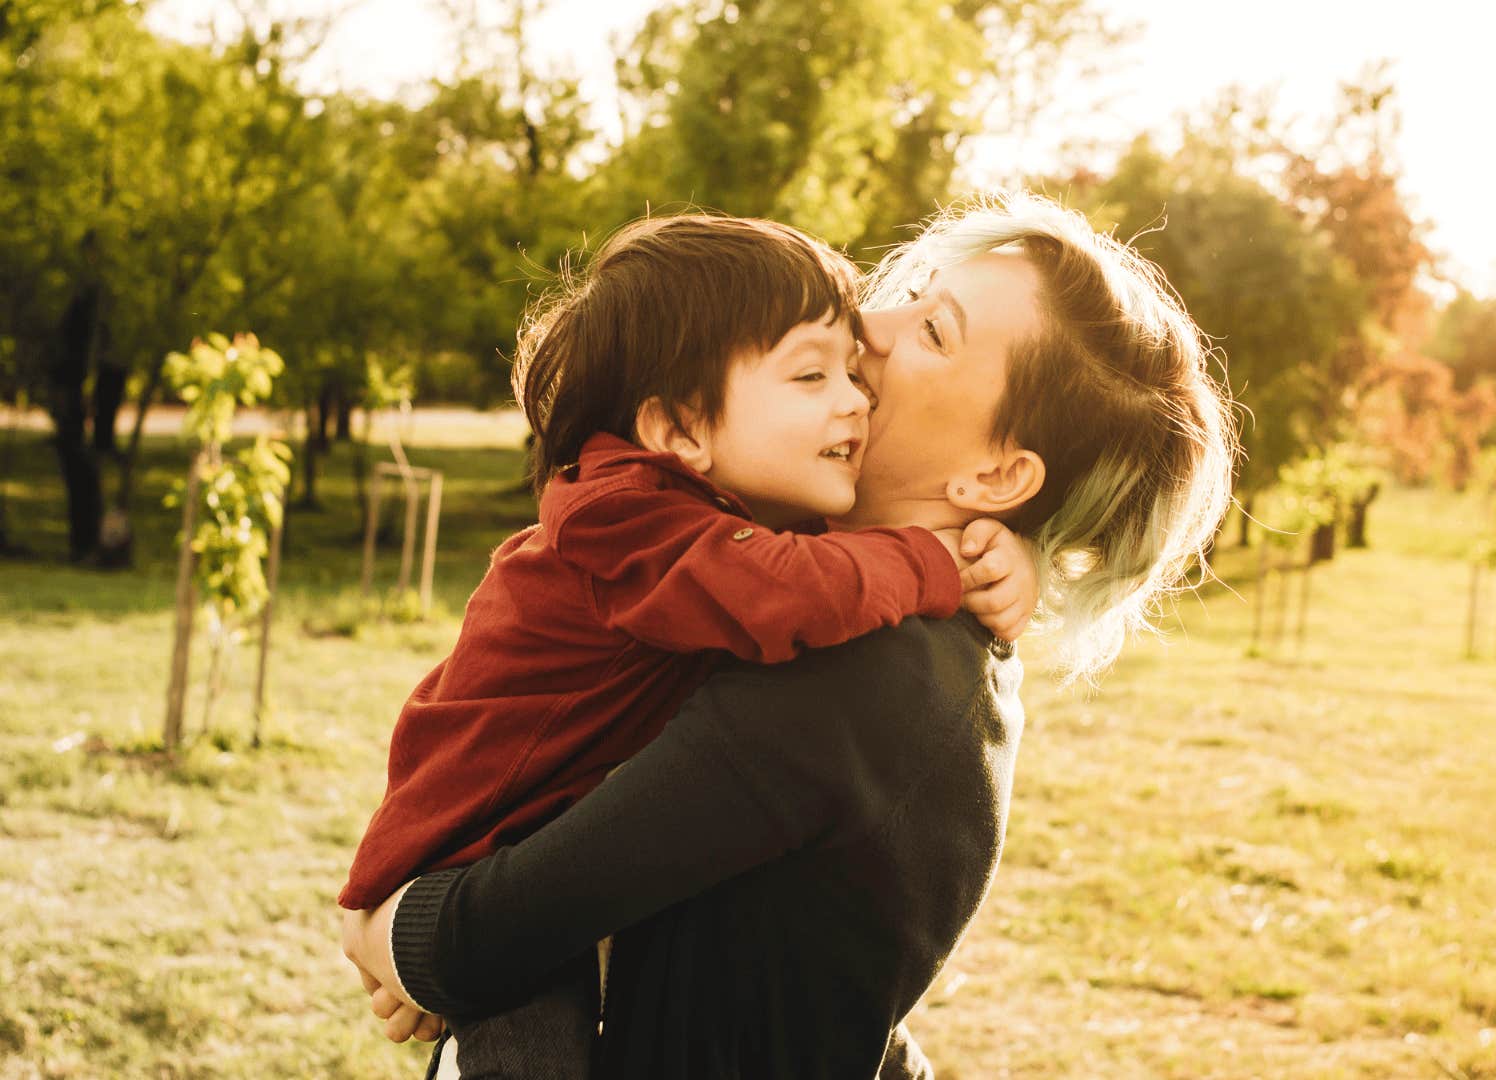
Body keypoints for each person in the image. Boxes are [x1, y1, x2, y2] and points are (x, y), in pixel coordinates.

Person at [342, 192, 1239, 1078]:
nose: (872, 327)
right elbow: (827, 1001)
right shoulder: (900, 640)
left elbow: (498, 931)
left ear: (997, 474)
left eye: (935, 331)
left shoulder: (865, 674)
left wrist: (396, 932)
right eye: (914, 291)